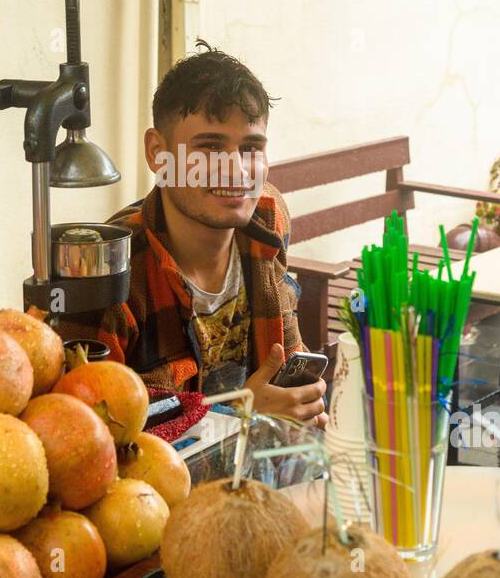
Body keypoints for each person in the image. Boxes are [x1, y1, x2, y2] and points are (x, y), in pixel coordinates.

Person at [59, 42, 327, 427]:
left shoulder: (269, 216)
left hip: (261, 478)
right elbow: (85, 433)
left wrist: (304, 406)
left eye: (251, 147)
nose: (236, 171)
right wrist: (239, 418)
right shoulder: (106, 273)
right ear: (157, 152)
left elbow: (286, 351)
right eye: (210, 147)